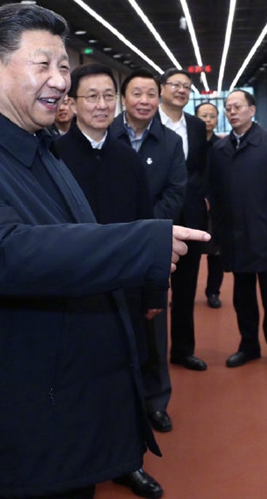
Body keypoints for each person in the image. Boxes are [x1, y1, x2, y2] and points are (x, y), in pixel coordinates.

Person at [0, 2, 208, 499]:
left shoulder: (35, 144)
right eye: (43, 64)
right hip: (24, 419)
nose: (58, 80)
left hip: (62, 406)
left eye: (64, 66)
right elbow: (2, 254)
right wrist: (142, 243)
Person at [55, 62, 163, 499]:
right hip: (72, 294)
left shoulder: (127, 158)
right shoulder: (54, 157)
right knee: (78, 383)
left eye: (107, 97)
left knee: (125, 376)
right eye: (91, 97)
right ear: (71, 103)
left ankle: (127, 462)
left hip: (125, 290)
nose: (101, 105)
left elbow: (146, 222)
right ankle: (81, 467)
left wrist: (154, 289)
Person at [109, 68, 187, 434]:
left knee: (154, 326)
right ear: (124, 98)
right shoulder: (106, 134)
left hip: (151, 245)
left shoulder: (170, 142)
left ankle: (156, 401)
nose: (144, 101)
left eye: (150, 94)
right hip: (110, 243)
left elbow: (175, 192)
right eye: (136, 94)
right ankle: (120, 403)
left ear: (159, 98)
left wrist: (146, 230)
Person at [208, 90, 267, 372]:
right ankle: (248, 346)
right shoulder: (220, 149)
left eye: (238, 107)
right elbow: (216, 196)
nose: (232, 112)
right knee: (242, 296)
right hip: (234, 236)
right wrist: (218, 235)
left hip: (266, 235)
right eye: (228, 108)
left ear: (252, 110)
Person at [158, 68, 209, 371]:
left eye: (186, 87)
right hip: (156, 216)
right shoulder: (149, 122)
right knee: (151, 289)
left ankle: (182, 349)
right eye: (175, 84)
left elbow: (200, 169)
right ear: (162, 88)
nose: (181, 90)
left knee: (186, 288)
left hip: (190, 217)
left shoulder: (196, 126)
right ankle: (149, 356)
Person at [195, 102, 225, 309]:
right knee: (189, 254)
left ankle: (213, 292)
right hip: (191, 205)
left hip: (216, 208)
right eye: (203, 115)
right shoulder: (186, 142)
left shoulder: (222, 146)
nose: (208, 119)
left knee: (216, 254)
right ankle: (181, 293)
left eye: (212, 116)